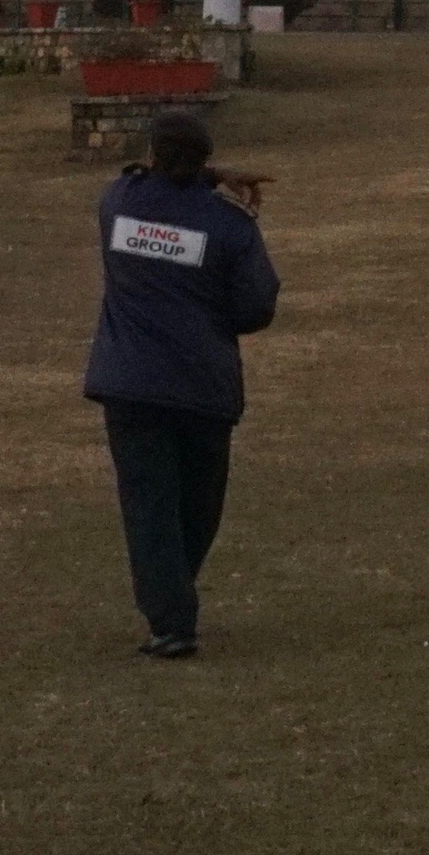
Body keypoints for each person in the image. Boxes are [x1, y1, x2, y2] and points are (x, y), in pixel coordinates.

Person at [84, 105, 280, 662]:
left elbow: (148, 180)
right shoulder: (231, 225)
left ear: (150, 154)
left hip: (131, 382)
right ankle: (173, 611)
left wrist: (205, 175)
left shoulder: (117, 205)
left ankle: (169, 608)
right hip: (203, 386)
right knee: (198, 504)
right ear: (205, 159)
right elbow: (257, 307)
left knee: (148, 504)